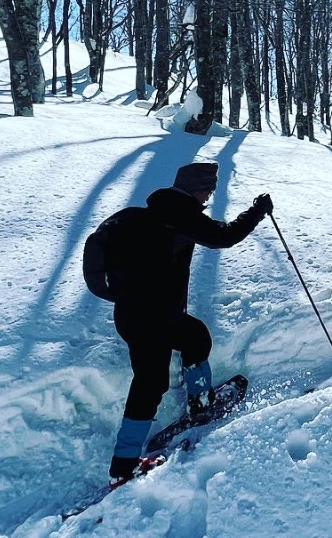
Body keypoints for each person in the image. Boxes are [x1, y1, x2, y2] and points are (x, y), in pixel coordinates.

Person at [84, 161, 272, 481]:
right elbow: (224, 236)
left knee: (195, 337)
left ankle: (200, 404)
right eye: (208, 191)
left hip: (137, 314)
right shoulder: (181, 215)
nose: (208, 197)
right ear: (197, 190)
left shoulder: (138, 215)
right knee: (150, 383)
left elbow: (97, 260)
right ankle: (123, 467)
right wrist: (257, 211)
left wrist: (119, 295)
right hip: (152, 320)